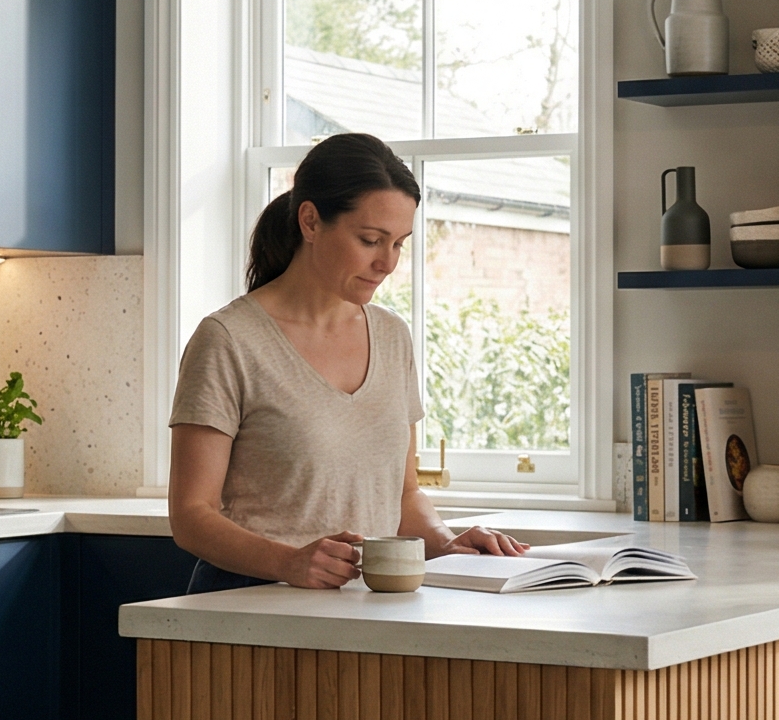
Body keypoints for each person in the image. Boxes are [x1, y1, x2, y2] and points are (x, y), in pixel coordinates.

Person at [168, 131, 529, 592]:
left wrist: (446, 542)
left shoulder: (392, 336)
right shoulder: (228, 340)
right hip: (245, 603)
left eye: (398, 244)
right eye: (371, 240)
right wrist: (289, 562)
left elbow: (403, 495)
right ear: (311, 221)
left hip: (360, 609)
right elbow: (191, 516)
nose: (387, 263)